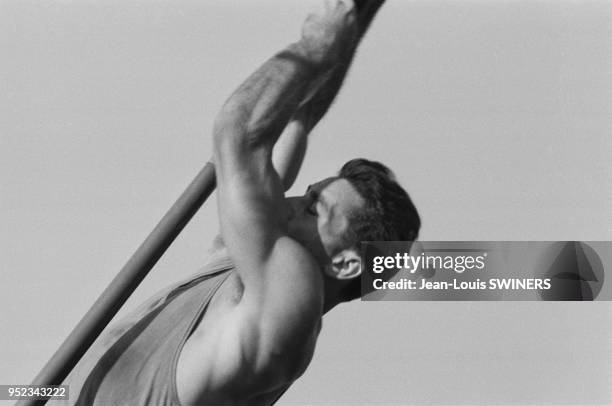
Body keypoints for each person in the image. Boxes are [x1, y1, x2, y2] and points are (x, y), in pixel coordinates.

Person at [60, 1, 420, 404]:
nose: (289, 200)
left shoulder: (289, 303)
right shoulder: (251, 261)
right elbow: (298, 117)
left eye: (314, 208)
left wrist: (317, 43)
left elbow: (238, 131)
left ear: (346, 263)